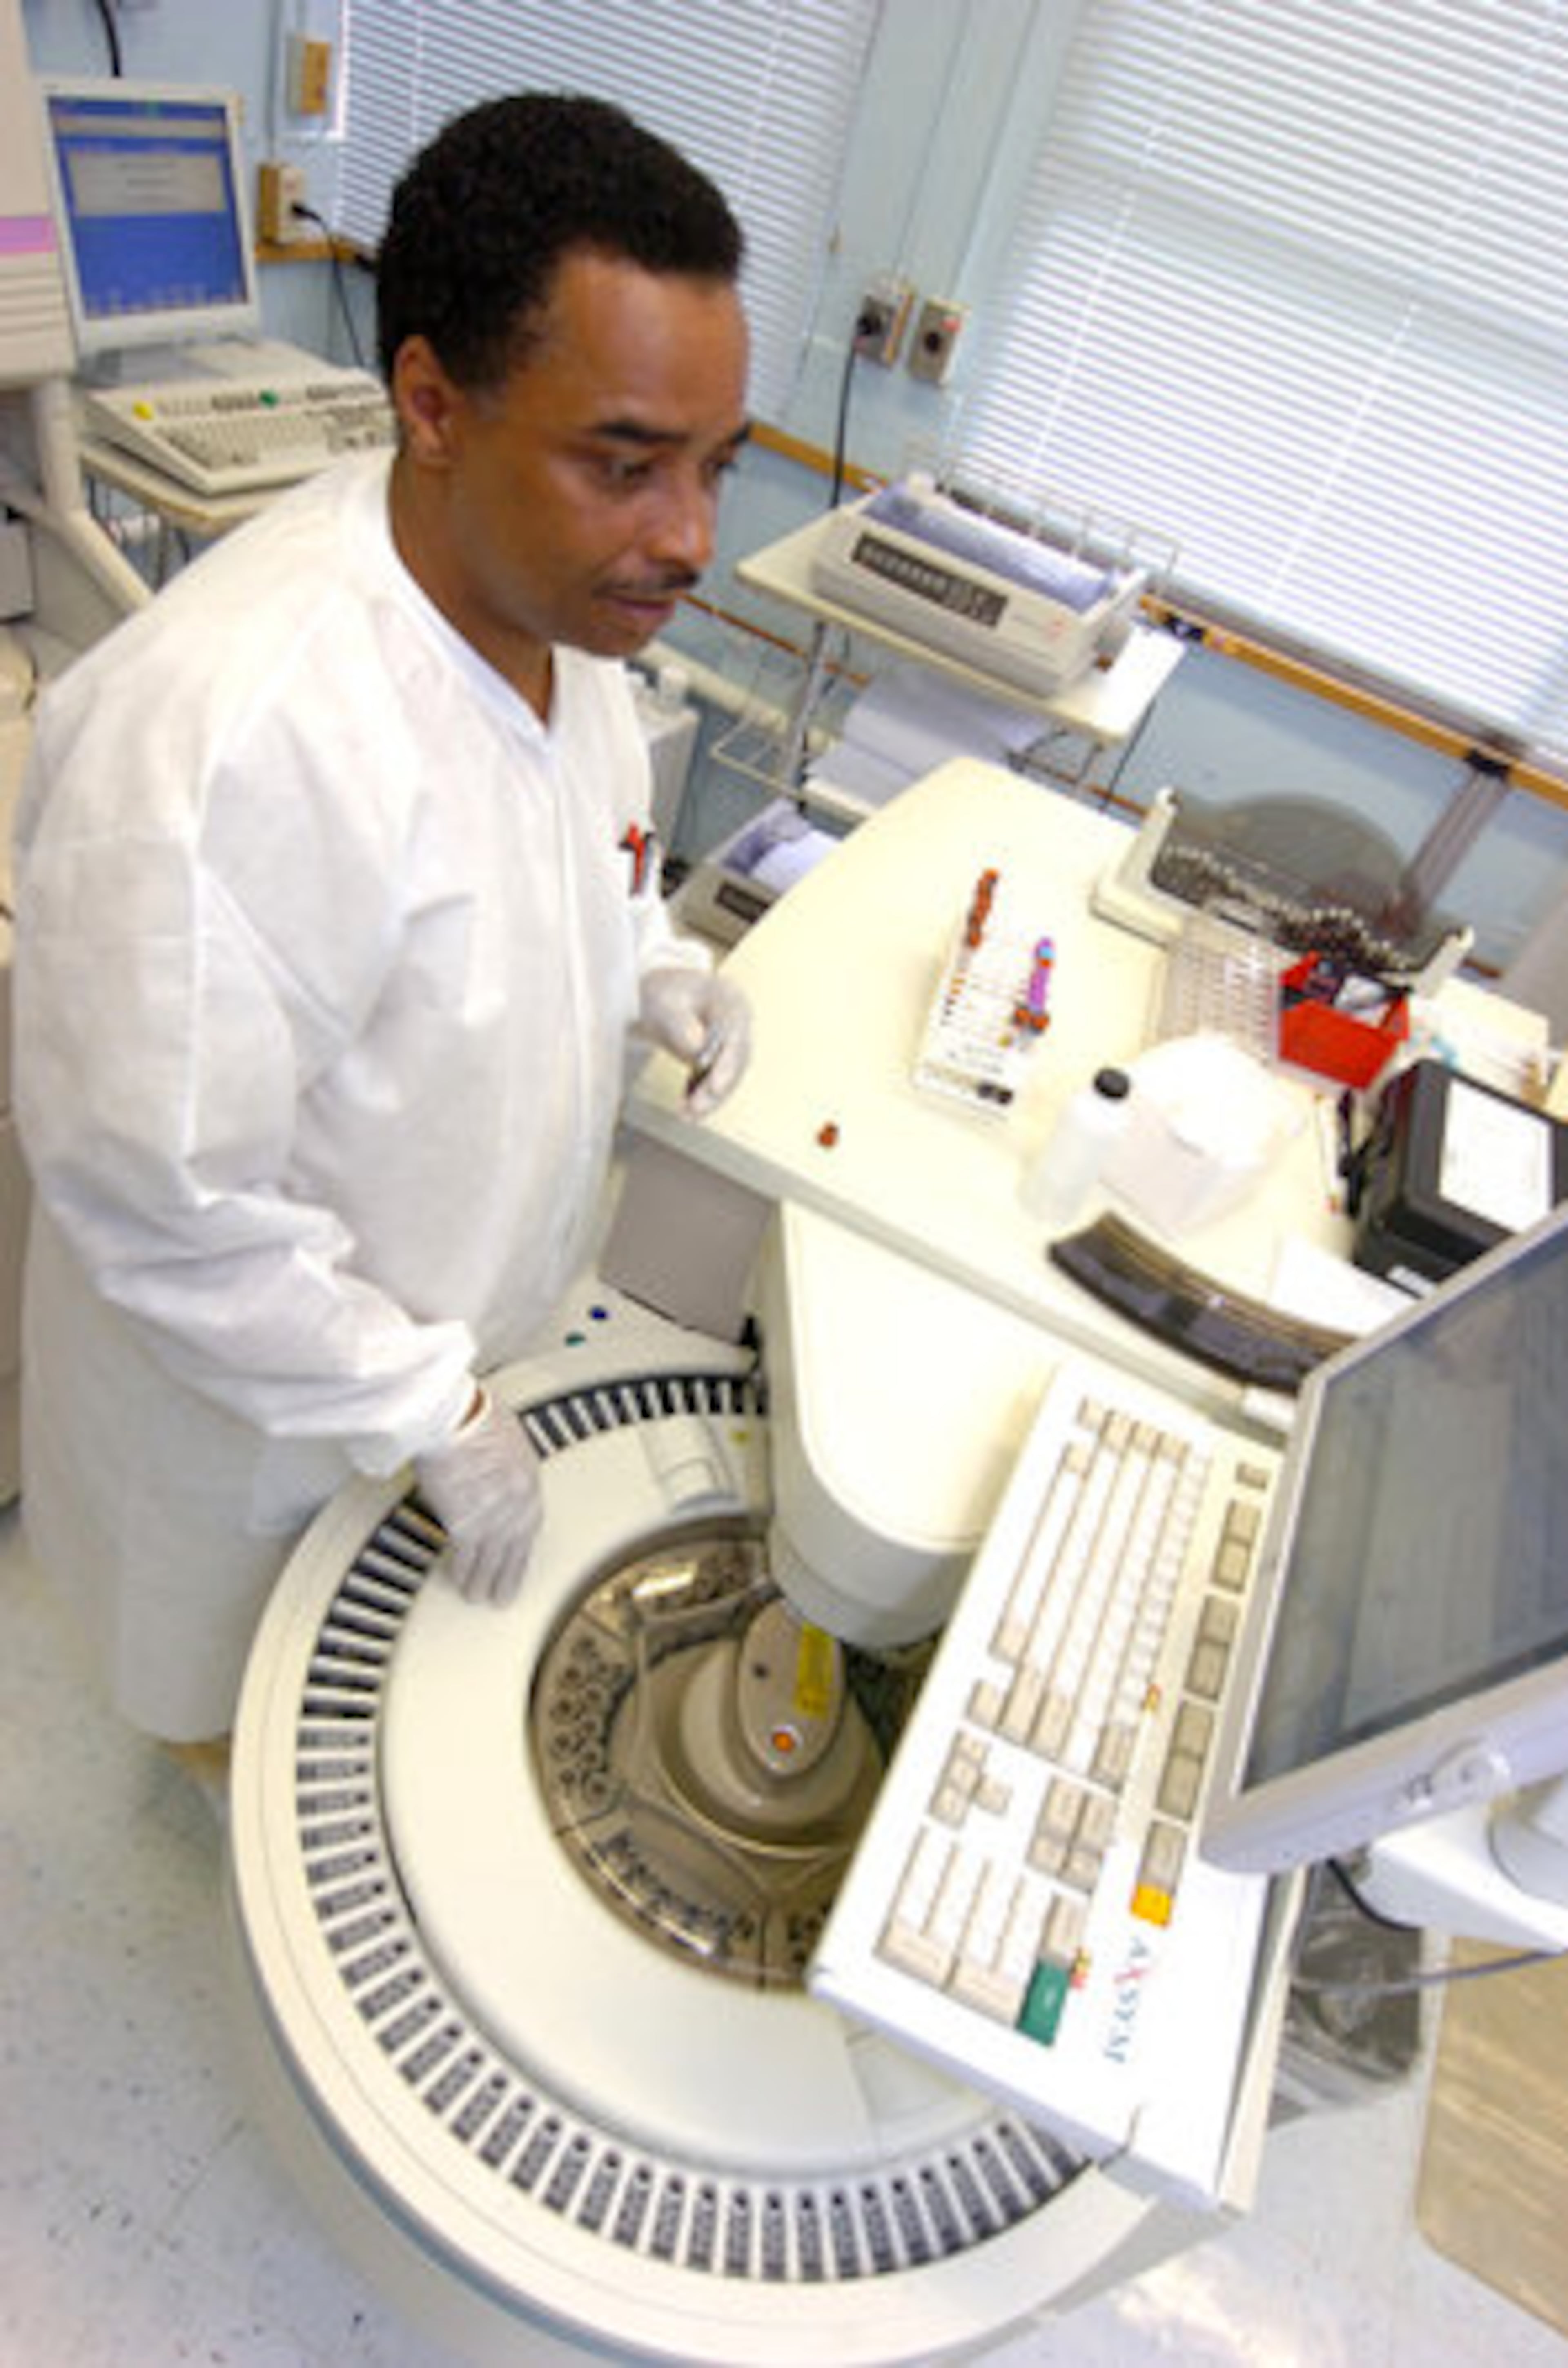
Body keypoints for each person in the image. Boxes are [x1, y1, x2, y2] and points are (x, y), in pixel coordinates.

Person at [13, 93, 753, 1746]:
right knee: (242, 1733)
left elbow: (577, 858)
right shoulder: (227, 743)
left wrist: (655, 968)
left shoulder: (560, 616)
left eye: (716, 466)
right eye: (626, 463)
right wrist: (431, 1406)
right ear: (430, 403)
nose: (690, 538)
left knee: (375, 1708)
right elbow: (161, 1201)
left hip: (441, 1364)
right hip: (251, 1433)